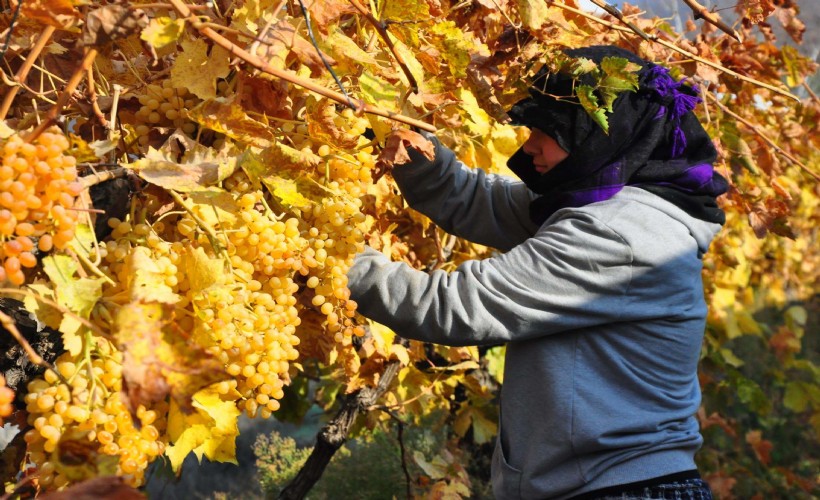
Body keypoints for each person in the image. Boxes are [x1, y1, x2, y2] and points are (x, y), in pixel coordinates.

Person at [346, 45, 728, 500]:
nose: (529, 147)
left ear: (601, 133)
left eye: (549, 131)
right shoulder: (607, 202)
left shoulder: (619, 234)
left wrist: (330, 257)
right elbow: (478, 200)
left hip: (618, 491)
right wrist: (402, 137)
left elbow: (451, 306)